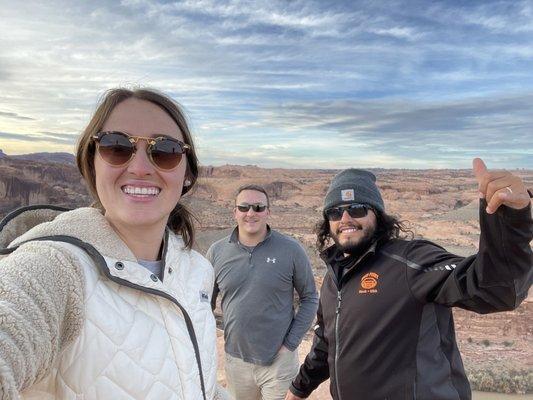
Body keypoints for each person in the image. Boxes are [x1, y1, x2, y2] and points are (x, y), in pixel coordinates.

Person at [0, 88, 229, 399]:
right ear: (91, 162)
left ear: (186, 173)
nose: (140, 167)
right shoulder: (55, 266)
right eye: (117, 146)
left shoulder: (197, 269)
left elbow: (195, 378)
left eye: (165, 150)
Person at [286, 159, 532, 400]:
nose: (346, 218)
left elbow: (497, 290)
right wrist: (299, 389)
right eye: (335, 212)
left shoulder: (410, 261)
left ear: (378, 216)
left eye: (358, 209)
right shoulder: (334, 276)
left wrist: (512, 222)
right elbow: (327, 341)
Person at [207, 184, 319, 400]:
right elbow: (203, 304)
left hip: (279, 363)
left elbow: (310, 297)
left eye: (258, 207)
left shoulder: (291, 249)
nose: (251, 213)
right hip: (236, 361)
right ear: (235, 212)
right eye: (244, 207)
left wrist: (290, 344)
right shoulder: (217, 252)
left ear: (268, 212)